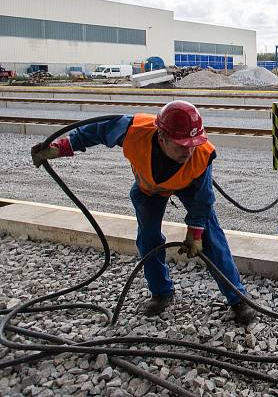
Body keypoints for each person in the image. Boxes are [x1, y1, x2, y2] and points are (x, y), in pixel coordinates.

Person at [30, 100, 257, 324]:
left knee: (210, 235)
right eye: (181, 145)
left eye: (193, 144)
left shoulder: (201, 155)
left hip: (189, 187)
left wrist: (195, 232)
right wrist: (60, 148)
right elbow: (98, 130)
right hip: (148, 189)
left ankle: (237, 299)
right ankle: (161, 292)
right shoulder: (134, 130)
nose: (188, 151)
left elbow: (203, 199)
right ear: (162, 137)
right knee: (148, 238)